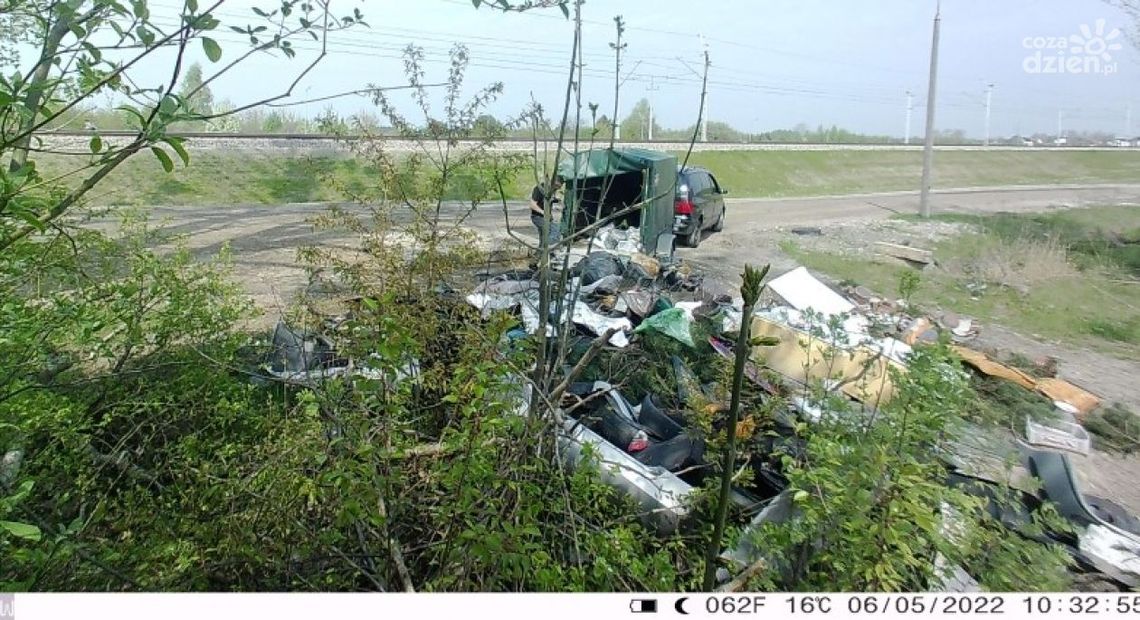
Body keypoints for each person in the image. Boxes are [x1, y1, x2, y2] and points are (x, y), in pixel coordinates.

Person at [529, 177, 564, 247]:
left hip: (546, 217)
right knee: (555, 230)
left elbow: (547, 201)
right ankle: (548, 249)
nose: (557, 189)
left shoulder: (551, 190)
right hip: (538, 217)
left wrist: (556, 200)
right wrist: (544, 213)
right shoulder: (540, 189)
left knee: (543, 237)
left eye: (559, 187)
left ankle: (541, 251)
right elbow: (532, 205)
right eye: (557, 186)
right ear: (553, 182)